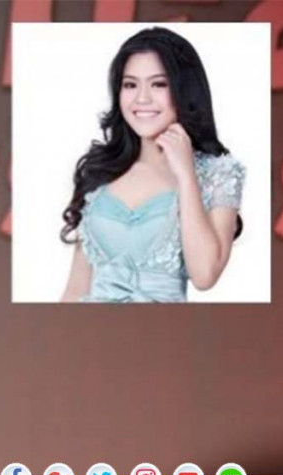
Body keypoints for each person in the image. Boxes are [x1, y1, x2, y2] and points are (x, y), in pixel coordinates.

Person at [60, 27, 245, 303]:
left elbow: (205, 275)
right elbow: (75, 289)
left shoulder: (219, 173)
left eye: (159, 84)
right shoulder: (100, 170)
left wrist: (186, 174)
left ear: (185, 90)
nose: (142, 99)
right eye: (130, 85)